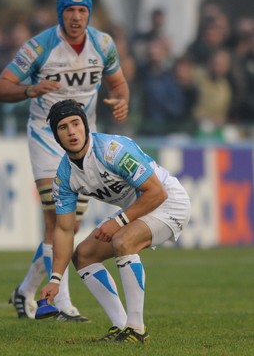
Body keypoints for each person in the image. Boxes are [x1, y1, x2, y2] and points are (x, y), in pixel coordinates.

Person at [0, 0, 130, 321]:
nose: (76, 17)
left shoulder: (104, 44)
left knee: (70, 223)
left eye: (82, 10)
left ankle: (26, 292)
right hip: (44, 135)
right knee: (56, 218)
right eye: (70, 10)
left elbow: (119, 83)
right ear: (60, 14)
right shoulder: (40, 46)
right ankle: (61, 303)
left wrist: (123, 100)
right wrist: (30, 89)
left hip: (82, 142)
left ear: (89, 14)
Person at [40, 99, 191, 342]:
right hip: (137, 209)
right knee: (84, 255)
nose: (71, 132)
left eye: (76, 123)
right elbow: (64, 230)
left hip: (170, 202)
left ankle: (137, 329)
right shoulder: (65, 176)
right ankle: (121, 326)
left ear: (85, 125)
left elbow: (157, 192)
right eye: (63, 127)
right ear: (57, 136)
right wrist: (55, 279)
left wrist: (119, 220)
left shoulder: (112, 150)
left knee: (123, 240)